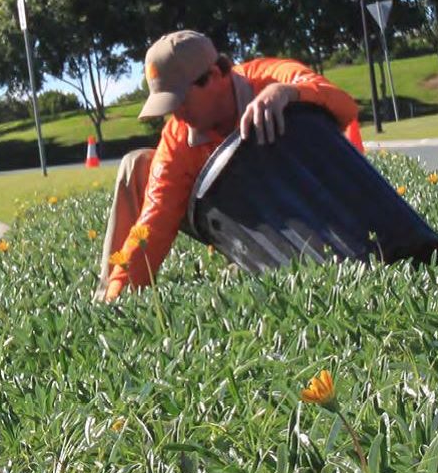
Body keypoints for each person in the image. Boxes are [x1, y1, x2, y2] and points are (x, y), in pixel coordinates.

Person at [95, 30, 358, 302]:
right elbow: (154, 219)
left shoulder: (270, 77)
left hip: (317, 208)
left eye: (182, 100)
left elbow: (345, 106)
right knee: (138, 165)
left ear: (216, 75)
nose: (178, 114)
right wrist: (119, 293)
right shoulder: (179, 137)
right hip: (248, 222)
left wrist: (287, 93)